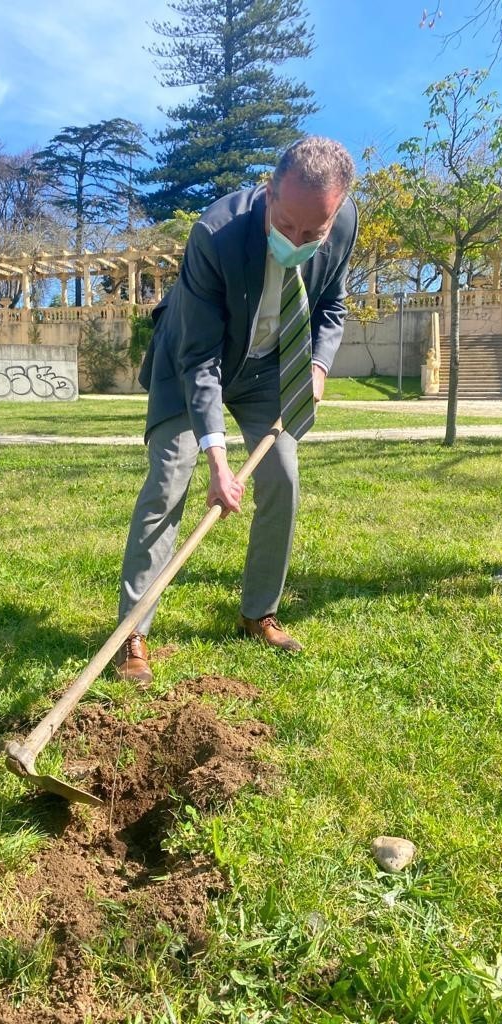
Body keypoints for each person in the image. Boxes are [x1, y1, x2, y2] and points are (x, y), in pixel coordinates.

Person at [115, 136, 359, 684]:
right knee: (168, 481)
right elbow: (199, 357)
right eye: (288, 224)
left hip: (267, 368)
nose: (298, 240)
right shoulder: (214, 235)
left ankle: (258, 612)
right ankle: (134, 630)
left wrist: (318, 366)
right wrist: (218, 459)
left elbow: (332, 305)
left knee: (283, 475)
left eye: (311, 234)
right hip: (190, 363)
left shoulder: (341, 225)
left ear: (336, 211)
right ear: (269, 191)